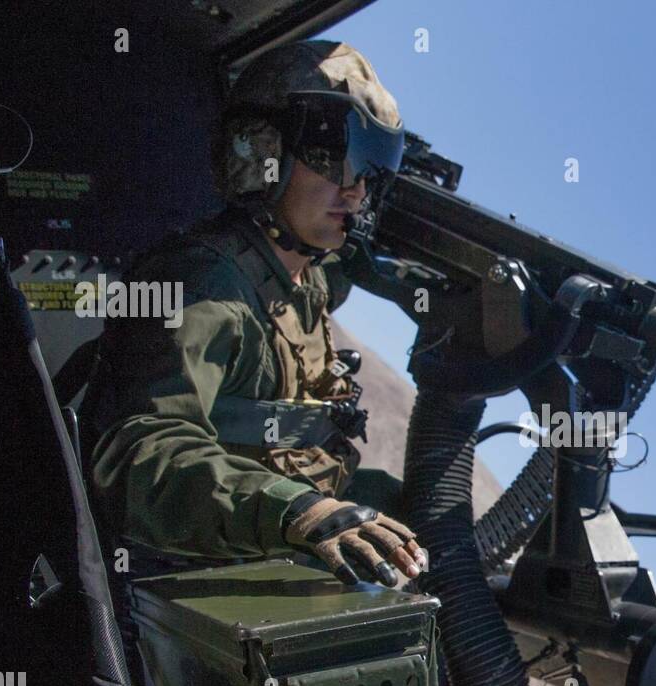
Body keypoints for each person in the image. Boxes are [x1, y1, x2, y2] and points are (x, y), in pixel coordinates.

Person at [78, 40, 427, 589]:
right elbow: (140, 456)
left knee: (430, 518)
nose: (356, 188)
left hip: (266, 540)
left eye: (372, 170)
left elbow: (353, 267)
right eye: (336, 154)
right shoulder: (200, 283)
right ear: (262, 150)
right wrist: (296, 511)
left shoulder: (307, 277)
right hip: (192, 569)